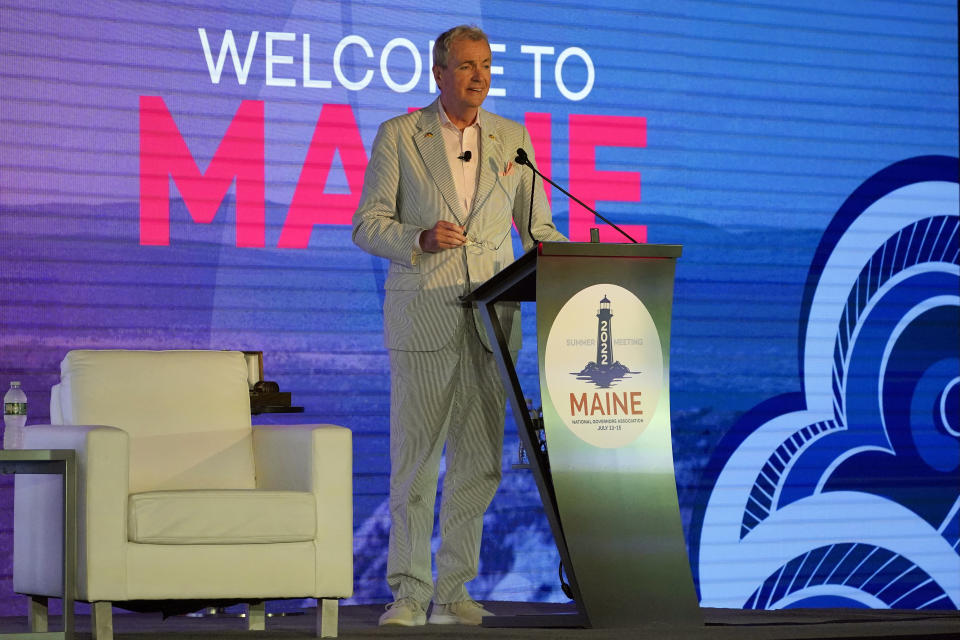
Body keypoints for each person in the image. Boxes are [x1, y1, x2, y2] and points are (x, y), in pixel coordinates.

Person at [352, 24, 566, 627]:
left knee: (479, 462)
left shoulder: (512, 139)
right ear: (439, 73)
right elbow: (367, 224)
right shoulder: (400, 135)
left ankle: (454, 590)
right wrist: (416, 238)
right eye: (467, 66)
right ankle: (409, 592)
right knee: (417, 462)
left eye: (487, 65)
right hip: (426, 315)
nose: (479, 76)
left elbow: (538, 230)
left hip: (492, 322)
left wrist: (573, 258)